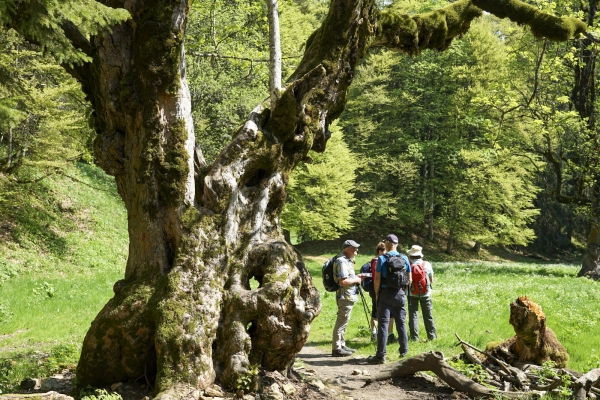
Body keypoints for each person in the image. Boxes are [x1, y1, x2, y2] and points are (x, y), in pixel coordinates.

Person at [368, 234, 411, 364]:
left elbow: (377, 278)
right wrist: (403, 292)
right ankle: (404, 351)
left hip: (385, 294)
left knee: (383, 324)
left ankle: (381, 356)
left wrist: (377, 293)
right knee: (401, 323)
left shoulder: (381, 259)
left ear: (387, 243)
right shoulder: (404, 258)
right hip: (400, 294)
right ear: (396, 244)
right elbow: (409, 279)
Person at [332, 239, 364, 357]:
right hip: (344, 296)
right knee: (341, 321)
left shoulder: (347, 260)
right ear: (347, 249)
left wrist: (356, 277)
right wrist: (356, 280)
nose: (357, 250)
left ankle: (341, 344)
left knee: (344, 321)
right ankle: (336, 348)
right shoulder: (342, 261)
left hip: (348, 295)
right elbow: (343, 282)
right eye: (354, 248)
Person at [407, 245, 437, 341]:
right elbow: (431, 279)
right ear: (420, 255)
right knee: (428, 315)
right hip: (425, 293)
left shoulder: (408, 264)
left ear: (410, 255)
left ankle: (414, 337)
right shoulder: (426, 264)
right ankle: (432, 336)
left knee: (413, 315)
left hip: (411, 293)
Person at [367, 242, 395, 343]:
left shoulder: (374, 261)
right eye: (385, 251)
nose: (387, 253)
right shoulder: (379, 261)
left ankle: (374, 333)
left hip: (374, 289)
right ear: (380, 251)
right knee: (387, 312)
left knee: (375, 311)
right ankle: (389, 334)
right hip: (379, 289)